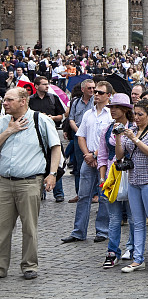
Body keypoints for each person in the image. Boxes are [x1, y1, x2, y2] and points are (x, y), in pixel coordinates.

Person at [0, 87, 61, 280]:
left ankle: (29, 265)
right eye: (4, 99)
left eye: (9, 100)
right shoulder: (2, 122)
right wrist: (9, 131)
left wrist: (52, 174)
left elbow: (55, 147)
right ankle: (1, 267)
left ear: (23, 101)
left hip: (29, 182)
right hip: (4, 182)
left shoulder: (40, 120)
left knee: (29, 227)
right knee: (1, 227)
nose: (5, 103)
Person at [63, 80, 114, 244]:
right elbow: (81, 136)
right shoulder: (88, 114)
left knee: (104, 196)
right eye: (95, 92)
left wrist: (95, 154)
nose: (96, 94)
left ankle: (102, 230)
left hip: (104, 160)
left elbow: (110, 139)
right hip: (89, 159)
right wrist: (87, 154)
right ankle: (78, 231)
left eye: (99, 92)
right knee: (83, 195)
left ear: (108, 96)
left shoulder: (111, 115)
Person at [118, 99, 148, 273]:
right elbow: (120, 155)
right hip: (133, 181)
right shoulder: (132, 130)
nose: (136, 118)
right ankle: (137, 259)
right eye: (135, 114)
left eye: (140, 114)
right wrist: (119, 136)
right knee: (137, 222)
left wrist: (134, 139)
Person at [97, 94, 136, 269]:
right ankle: (112, 251)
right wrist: (102, 177)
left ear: (125, 110)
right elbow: (103, 156)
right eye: (111, 107)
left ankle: (133, 248)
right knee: (114, 217)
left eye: (116, 107)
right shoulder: (106, 130)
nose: (112, 110)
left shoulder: (135, 128)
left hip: (132, 173)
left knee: (134, 216)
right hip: (113, 176)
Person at [28, 76, 65, 202]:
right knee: (39, 163)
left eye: (47, 84)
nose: (47, 86)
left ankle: (58, 192)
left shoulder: (53, 98)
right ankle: (41, 191)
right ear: (36, 86)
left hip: (52, 133)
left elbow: (61, 115)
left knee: (56, 163)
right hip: (36, 135)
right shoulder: (30, 100)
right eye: (44, 84)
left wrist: (52, 118)